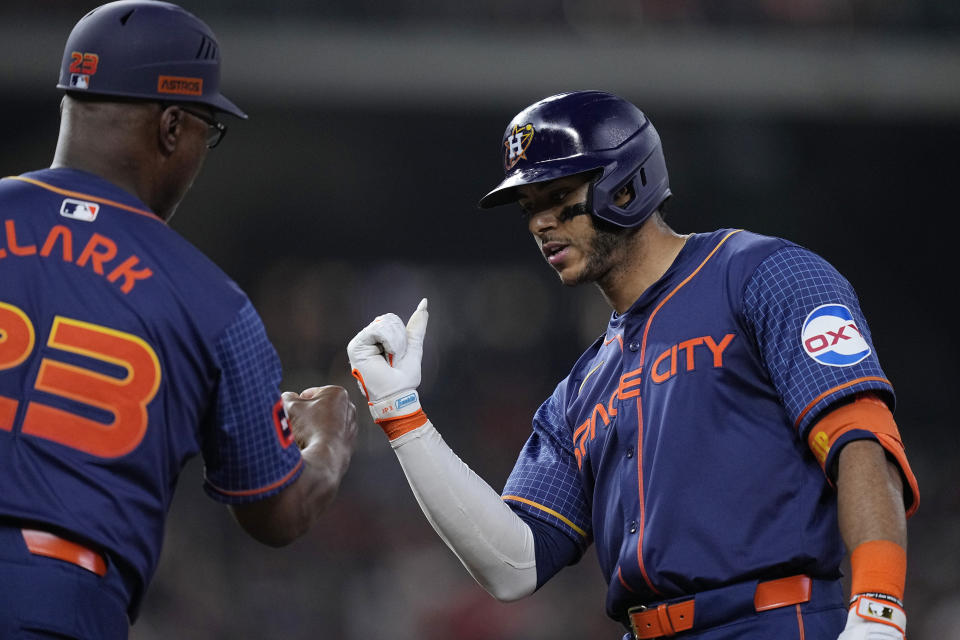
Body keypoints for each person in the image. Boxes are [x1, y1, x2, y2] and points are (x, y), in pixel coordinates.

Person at [346, 90, 918, 639]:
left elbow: (860, 437)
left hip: (776, 620)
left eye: (556, 196)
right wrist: (403, 417)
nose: (539, 223)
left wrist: (878, 607)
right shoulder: (580, 389)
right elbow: (513, 564)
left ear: (626, 185)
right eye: (529, 207)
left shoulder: (761, 274)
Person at [0, 2, 357, 637]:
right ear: (171, 126)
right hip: (52, 599)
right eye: (206, 128)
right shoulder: (211, 302)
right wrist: (328, 441)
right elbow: (277, 514)